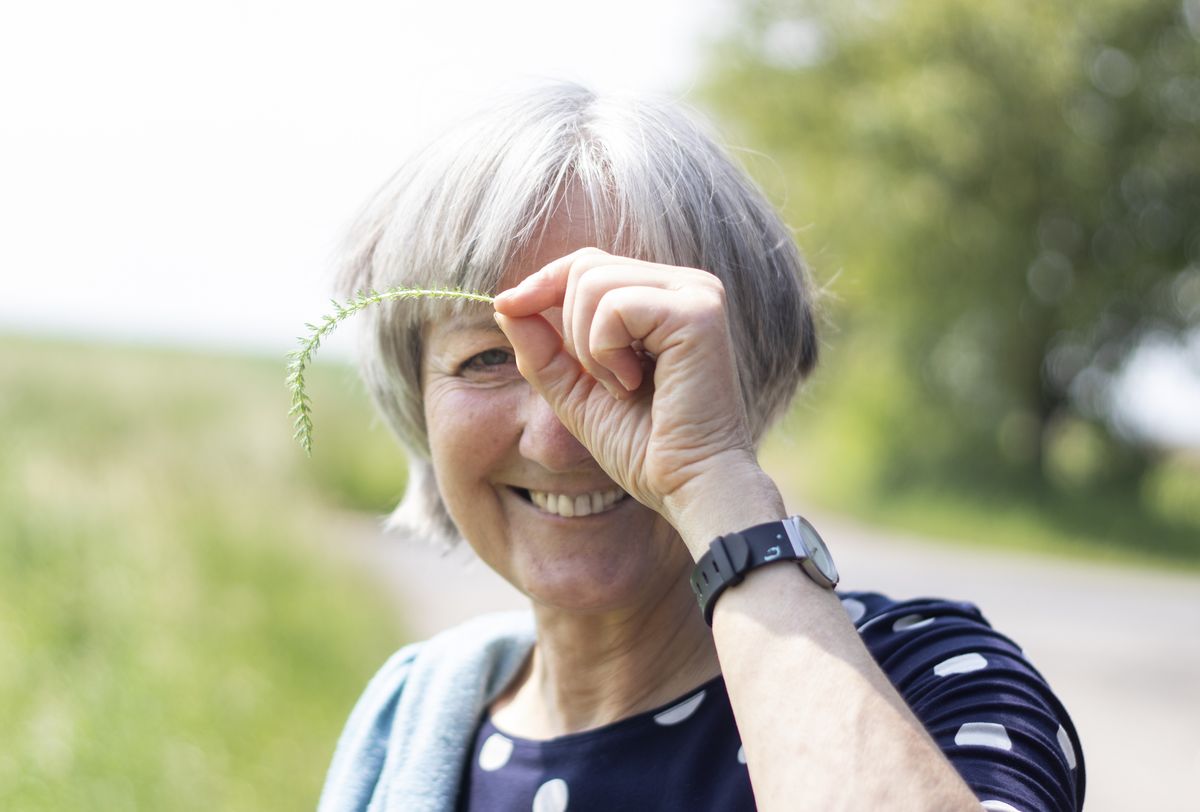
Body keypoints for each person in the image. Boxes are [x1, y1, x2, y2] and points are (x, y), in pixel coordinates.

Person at [317, 83, 1084, 811]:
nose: (557, 438)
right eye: (486, 359)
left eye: (632, 350)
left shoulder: (930, 679)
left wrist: (710, 481)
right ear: (416, 400)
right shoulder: (409, 715)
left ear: (750, 373)